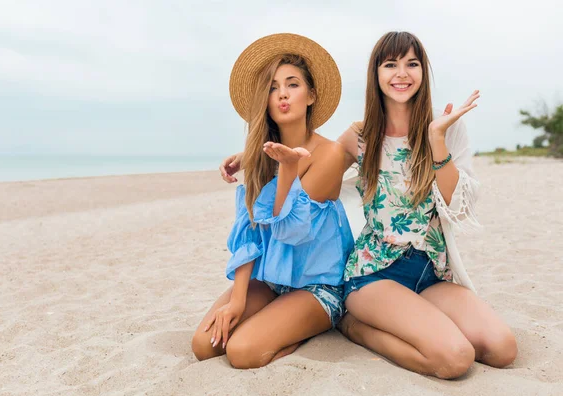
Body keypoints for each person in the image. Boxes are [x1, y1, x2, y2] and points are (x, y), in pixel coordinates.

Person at [218, 31, 517, 378]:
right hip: (375, 273)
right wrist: (250, 156)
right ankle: (355, 327)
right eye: (390, 64)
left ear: (424, 72)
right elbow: (312, 155)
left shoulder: (446, 129)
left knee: (502, 349)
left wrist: (437, 140)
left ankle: (401, 319)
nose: (401, 73)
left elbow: (457, 206)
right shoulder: (361, 136)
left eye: (412, 64)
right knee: (455, 358)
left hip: (432, 272)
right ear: (376, 75)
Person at [192, 33, 354, 369]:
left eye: (292, 84)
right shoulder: (260, 156)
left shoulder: (330, 154)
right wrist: (238, 301)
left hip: (318, 286)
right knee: (204, 346)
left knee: (242, 351)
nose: (281, 93)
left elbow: (290, 231)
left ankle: (301, 332)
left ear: (311, 95)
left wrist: (289, 168)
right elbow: (248, 234)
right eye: (272, 87)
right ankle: (269, 322)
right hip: (269, 281)